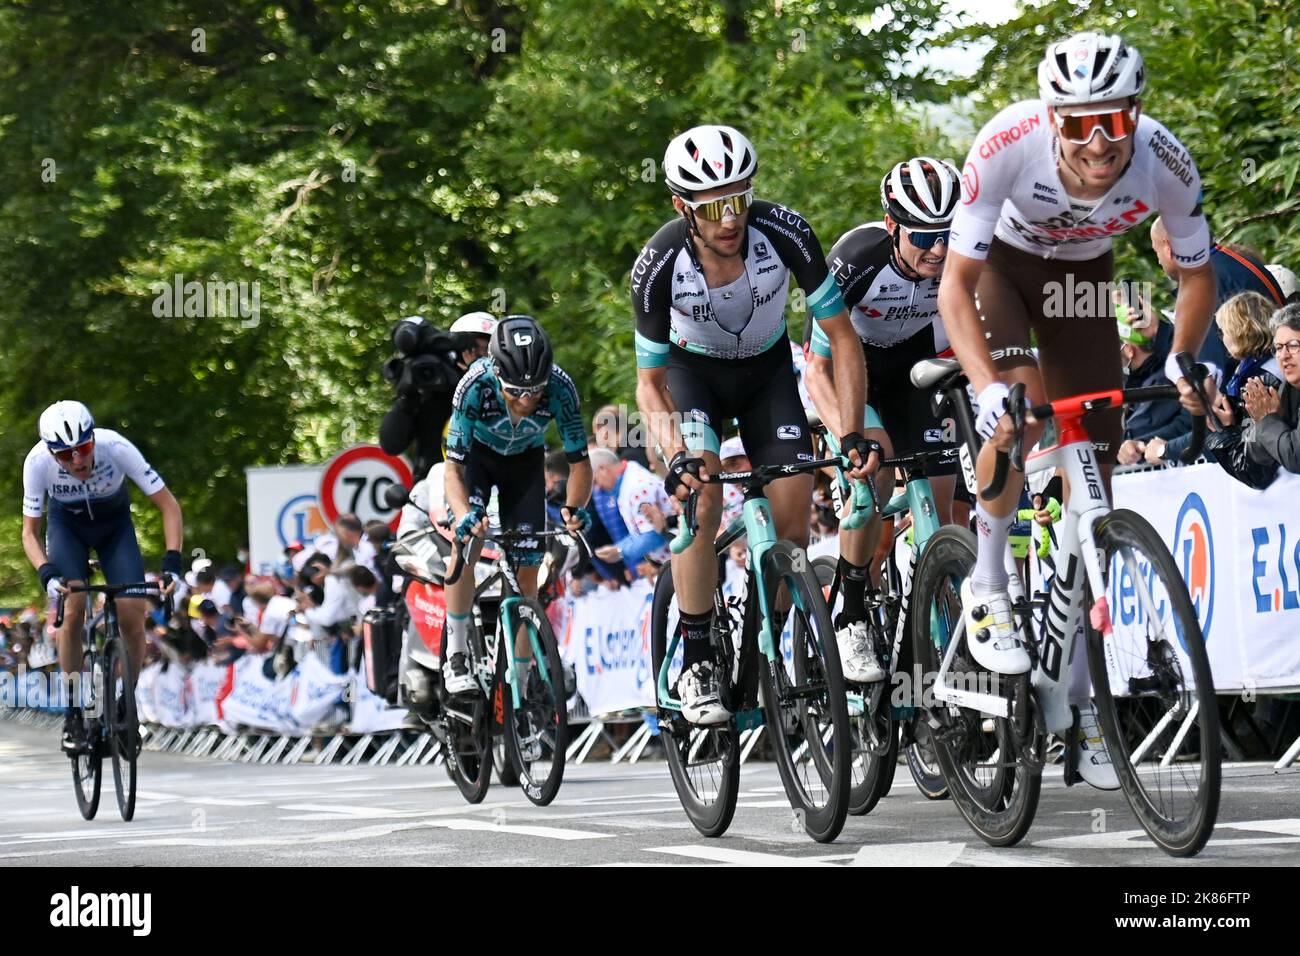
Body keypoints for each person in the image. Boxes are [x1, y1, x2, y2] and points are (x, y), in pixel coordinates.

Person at [940, 32, 1219, 790]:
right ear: (1051, 119)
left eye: (1115, 123)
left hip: (1083, 281)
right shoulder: (1006, 143)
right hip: (999, 269)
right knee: (1021, 415)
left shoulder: (1166, 161)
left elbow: (1197, 281)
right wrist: (988, 384)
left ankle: (1085, 700)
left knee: (1095, 479)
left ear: (1137, 115)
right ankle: (989, 584)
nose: (1099, 144)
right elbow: (953, 287)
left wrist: (1181, 357)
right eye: (1078, 125)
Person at [631, 123, 876, 724]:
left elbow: (842, 340)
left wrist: (849, 431)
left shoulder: (785, 232)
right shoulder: (660, 262)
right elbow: (650, 385)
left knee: (792, 519)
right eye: (712, 206)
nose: (729, 217)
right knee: (703, 498)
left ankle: (758, 645)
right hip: (694, 379)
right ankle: (694, 653)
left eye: (738, 198)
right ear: (682, 207)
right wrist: (675, 454)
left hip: (767, 376)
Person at [804, 157, 963, 681]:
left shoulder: (958, 257)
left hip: (916, 373)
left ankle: (931, 621)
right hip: (855, 374)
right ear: (893, 226)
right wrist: (847, 436)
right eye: (923, 236)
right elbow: (818, 369)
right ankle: (850, 610)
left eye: (947, 233)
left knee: (939, 506)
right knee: (873, 470)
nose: (938, 250)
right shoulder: (856, 260)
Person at [20, 401, 185, 754]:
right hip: (67, 530)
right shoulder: (36, 464)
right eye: (65, 455)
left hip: (115, 529)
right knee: (74, 603)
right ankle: (73, 713)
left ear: (94, 439)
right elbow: (30, 533)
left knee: (132, 613)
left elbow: (169, 505)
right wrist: (46, 571)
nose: (77, 460)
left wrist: (172, 561)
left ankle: (127, 702)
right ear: (51, 454)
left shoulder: (116, 447)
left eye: (83, 448)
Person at [444, 315, 593, 695]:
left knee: (528, 571)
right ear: (495, 373)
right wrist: (464, 515)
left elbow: (580, 463)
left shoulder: (561, 388)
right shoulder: (473, 386)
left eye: (535, 391)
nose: (526, 401)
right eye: (515, 391)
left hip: (525, 465)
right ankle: (457, 652)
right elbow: (454, 470)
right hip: (476, 460)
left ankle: (520, 682)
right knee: (467, 546)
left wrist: (574, 508)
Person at [1143, 292, 1282, 471]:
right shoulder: (1252, 369)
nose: (1221, 338)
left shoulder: (1257, 379)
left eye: (1222, 331)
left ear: (1238, 330)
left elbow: (1252, 464)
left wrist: (1165, 450)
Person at [1150, 218, 1285, 373]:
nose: (1159, 260)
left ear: (1169, 246)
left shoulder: (1201, 284)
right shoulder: (1234, 260)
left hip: (1256, 387)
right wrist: (1158, 330)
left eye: (1156, 251)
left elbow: (1211, 368)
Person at [589, 447, 671, 579]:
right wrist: (618, 548)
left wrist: (620, 551)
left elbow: (653, 536)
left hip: (677, 558)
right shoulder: (628, 477)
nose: (597, 488)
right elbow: (638, 533)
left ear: (603, 469)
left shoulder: (635, 487)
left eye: (595, 481)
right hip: (669, 561)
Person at [1245, 304, 1300, 474]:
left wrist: (1268, 419)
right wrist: (1266, 420)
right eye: (1278, 348)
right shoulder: (1283, 389)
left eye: (1292, 345)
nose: (1284, 356)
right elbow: (1255, 456)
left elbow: (1295, 457)